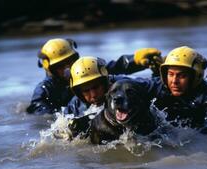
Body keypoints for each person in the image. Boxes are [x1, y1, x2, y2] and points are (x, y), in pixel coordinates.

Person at [26, 38, 162, 115]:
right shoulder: (45, 91)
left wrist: (136, 60)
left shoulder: (89, 72)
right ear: (51, 69)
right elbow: (45, 117)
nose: (68, 68)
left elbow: (114, 67)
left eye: (70, 61)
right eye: (61, 66)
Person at [153, 46, 207, 135]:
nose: (174, 81)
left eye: (182, 76)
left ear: (195, 77)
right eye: (170, 74)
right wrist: (136, 64)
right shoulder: (159, 86)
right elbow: (137, 85)